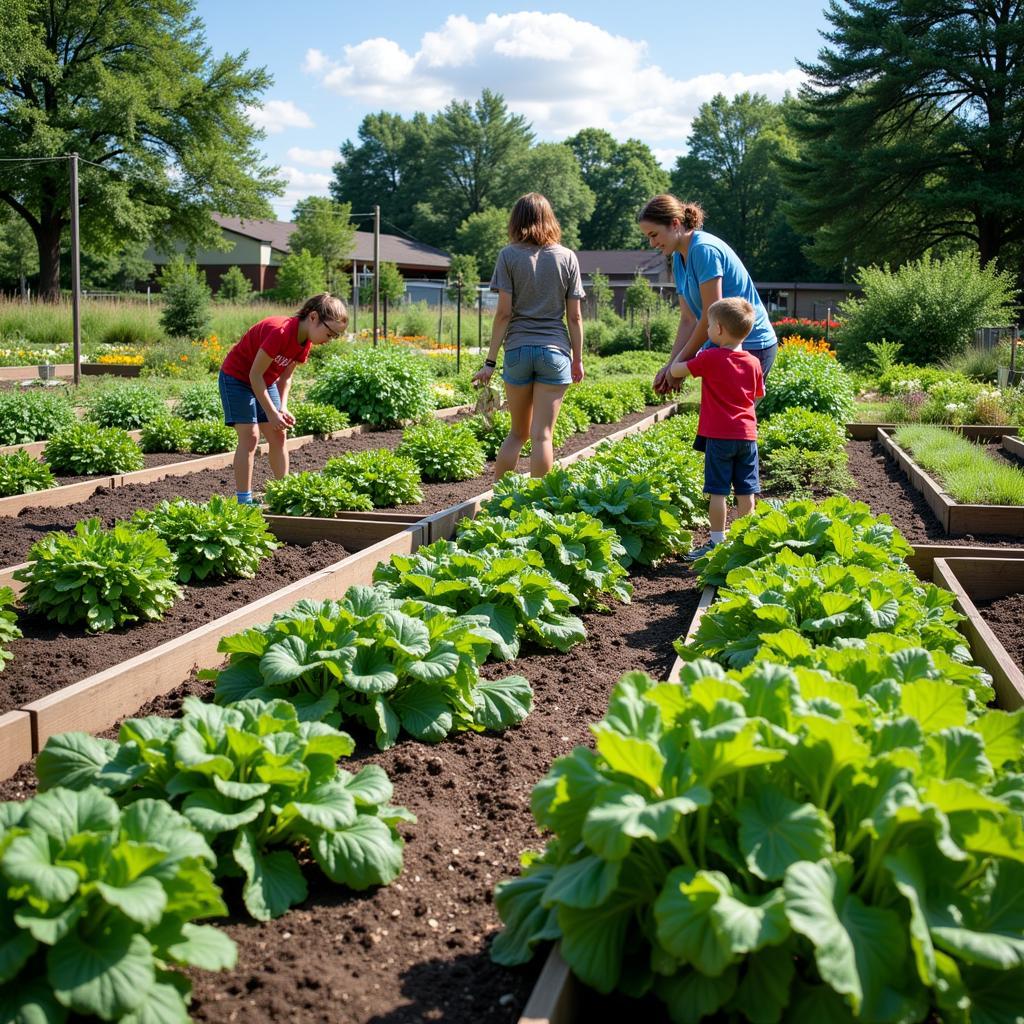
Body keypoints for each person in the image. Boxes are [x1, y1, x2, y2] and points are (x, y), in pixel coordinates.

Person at [472, 193, 585, 479]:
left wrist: (490, 361)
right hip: (555, 351)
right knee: (543, 436)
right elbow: (575, 317)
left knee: (517, 434)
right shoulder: (567, 257)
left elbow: (503, 314)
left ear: (516, 221)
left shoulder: (508, 256)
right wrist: (578, 359)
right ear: (550, 219)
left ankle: (498, 502)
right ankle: (538, 507)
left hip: (518, 350)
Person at [637, 194, 777, 397]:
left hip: (749, 346)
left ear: (675, 224)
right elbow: (688, 319)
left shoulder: (704, 250)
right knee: (719, 421)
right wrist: (672, 366)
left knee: (731, 423)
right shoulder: (678, 257)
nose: (652, 243)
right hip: (722, 347)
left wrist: (679, 366)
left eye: (654, 234)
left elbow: (712, 314)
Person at [219, 292, 347, 503]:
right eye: (330, 333)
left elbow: (285, 379)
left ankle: (283, 494)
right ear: (313, 317)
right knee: (250, 437)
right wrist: (271, 411)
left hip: (264, 381)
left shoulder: (305, 343)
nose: (330, 340)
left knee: (278, 436)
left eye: (335, 336)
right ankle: (244, 501)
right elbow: (254, 375)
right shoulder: (280, 332)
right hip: (237, 378)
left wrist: (283, 408)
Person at [669, 297, 764, 559]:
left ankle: (716, 542)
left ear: (719, 329)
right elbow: (758, 394)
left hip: (719, 437)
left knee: (718, 491)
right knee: (747, 489)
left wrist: (684, 356)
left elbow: (677, 370)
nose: (707, 331)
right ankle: (747, 540)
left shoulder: (710, 358)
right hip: (747, 436)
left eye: (709, 326)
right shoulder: (754, 362)